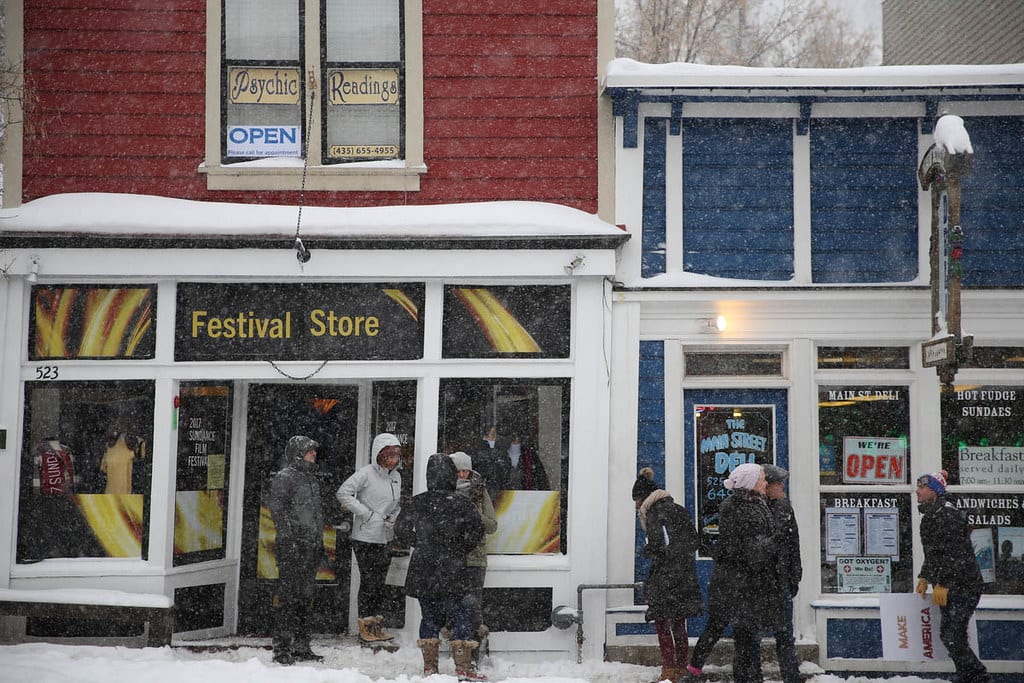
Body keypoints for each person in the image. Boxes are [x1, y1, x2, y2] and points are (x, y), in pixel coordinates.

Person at [686, 463, 782, 683]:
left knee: (741, 635)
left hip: (739, 582)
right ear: (750, 484)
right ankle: (693, 674)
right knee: (728, 631)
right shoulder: (740, 508)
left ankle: (738, 676)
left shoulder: (754, 504)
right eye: (762, 479)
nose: (766, 483)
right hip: (734, 584)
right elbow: (751, 549)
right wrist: (776, 541)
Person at [395, 453, 486, 680]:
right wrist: (460, 548)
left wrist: (419, 543)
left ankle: (430, 667)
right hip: (453, 568)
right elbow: (477, 532)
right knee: (461, 615)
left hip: (424, 567)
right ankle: (463, 667)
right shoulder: (461, 503)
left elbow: (400, 530)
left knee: (429, 617)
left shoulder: (418, 502)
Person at [915, 470, 991, 683]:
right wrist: (924, 577)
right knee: (950, 635)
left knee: (952, 636)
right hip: (950, 585)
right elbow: (934, 554)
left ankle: (977, 676)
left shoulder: (948, 515)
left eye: (922, 488)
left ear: (935, 491)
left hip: (965, 586)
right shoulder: (929, 517)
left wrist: (945, 583)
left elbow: (957, 555)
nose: (917, 491)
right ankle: (967, 675)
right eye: (918, 487)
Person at [632, 467, 703, 683]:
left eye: (636, 500)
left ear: (644, 498)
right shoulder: (678, 509)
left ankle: (669, 669)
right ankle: (682, 666)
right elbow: (694, 540)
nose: (636, 506)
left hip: (665, 578)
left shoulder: (654, 514)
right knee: (679, 623)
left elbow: (659, 546)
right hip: (685, 575)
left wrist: (647, 550)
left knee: (662, 624)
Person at [335, 432, 403, 644]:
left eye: (396, 457)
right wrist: (366, 514)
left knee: (380, 583)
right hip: (365, 537)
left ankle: (376, 625)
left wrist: (394, 516)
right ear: (380, 455)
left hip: (385, 536)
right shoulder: (365, 474)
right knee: (369, 582)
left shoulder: (396, 477)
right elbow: (343, 493)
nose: (393, 461)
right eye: (389, 456)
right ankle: (365, 625)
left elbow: (394, 503)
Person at [267, 435, 325, 665]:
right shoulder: (285, 478)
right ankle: (282, 650)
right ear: (299, 453)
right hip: (293, 548)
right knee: (289, 598)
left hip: (310, 547)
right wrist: (290, 539)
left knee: (304, 598)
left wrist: (317, 542)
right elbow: (278, 512)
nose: (314, 454)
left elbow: (314, 515)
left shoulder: (310, 478)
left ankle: (301, 645)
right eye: (310, 451)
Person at [450, 451, 499, 663]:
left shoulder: (480, 490)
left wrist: (471, 513)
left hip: (476, 558)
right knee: (453, 606)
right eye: (458, 471)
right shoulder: (444, 491)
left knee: (473, 608)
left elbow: (492, 525)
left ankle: (475, 655)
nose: (463, 475)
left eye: (466, 471)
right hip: (452, 558)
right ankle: (459, 654)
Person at [757, 464, 802, 683]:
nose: (782, 486)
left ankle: (791, 676)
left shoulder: (784, 507)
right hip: (762, 580)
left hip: (781, 577)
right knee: (755, 633)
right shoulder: (756, 509)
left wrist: (795, 574)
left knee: (784, 632)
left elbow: (793, 543)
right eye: (778, 483)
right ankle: (753, 675)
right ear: (767, 486)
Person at [474, 424, 511, 500]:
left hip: (500, 487)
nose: (495, 437)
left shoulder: (502, 450)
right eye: (493, 434)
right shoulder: (478, 451)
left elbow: (507, 468)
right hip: (484, 488)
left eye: (495, 434)